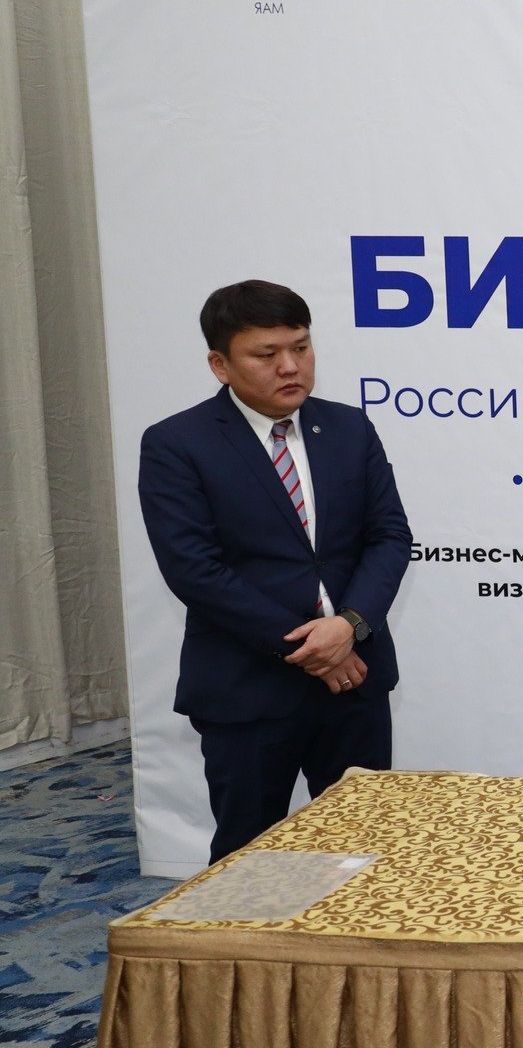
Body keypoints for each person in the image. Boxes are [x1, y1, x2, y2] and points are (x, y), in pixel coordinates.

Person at [138, 280, 412, 863]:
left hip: (356, 678)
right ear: (220, 364)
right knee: (250, 856)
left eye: (301, 347)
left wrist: (349, 626)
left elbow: (389, 536)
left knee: (361, 849)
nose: (290, 367)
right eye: (267, 354)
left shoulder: (349, 428)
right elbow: (194, 569)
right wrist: (314, 648)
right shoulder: (177, 444)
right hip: (249, 686)